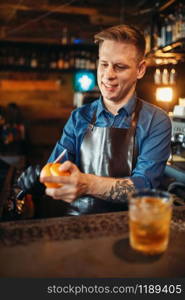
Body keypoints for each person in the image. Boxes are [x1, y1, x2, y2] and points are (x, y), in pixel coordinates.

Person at [17, 24, 172, 215]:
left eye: (120, 66)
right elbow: (56, 168)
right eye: (103, 64)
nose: (108, 75)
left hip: (130, 227)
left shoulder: (156, 121)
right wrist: (40, 180)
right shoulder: (79, 117)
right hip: (76, 226)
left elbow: (144, 187)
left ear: (140, 70)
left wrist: (87, 184)